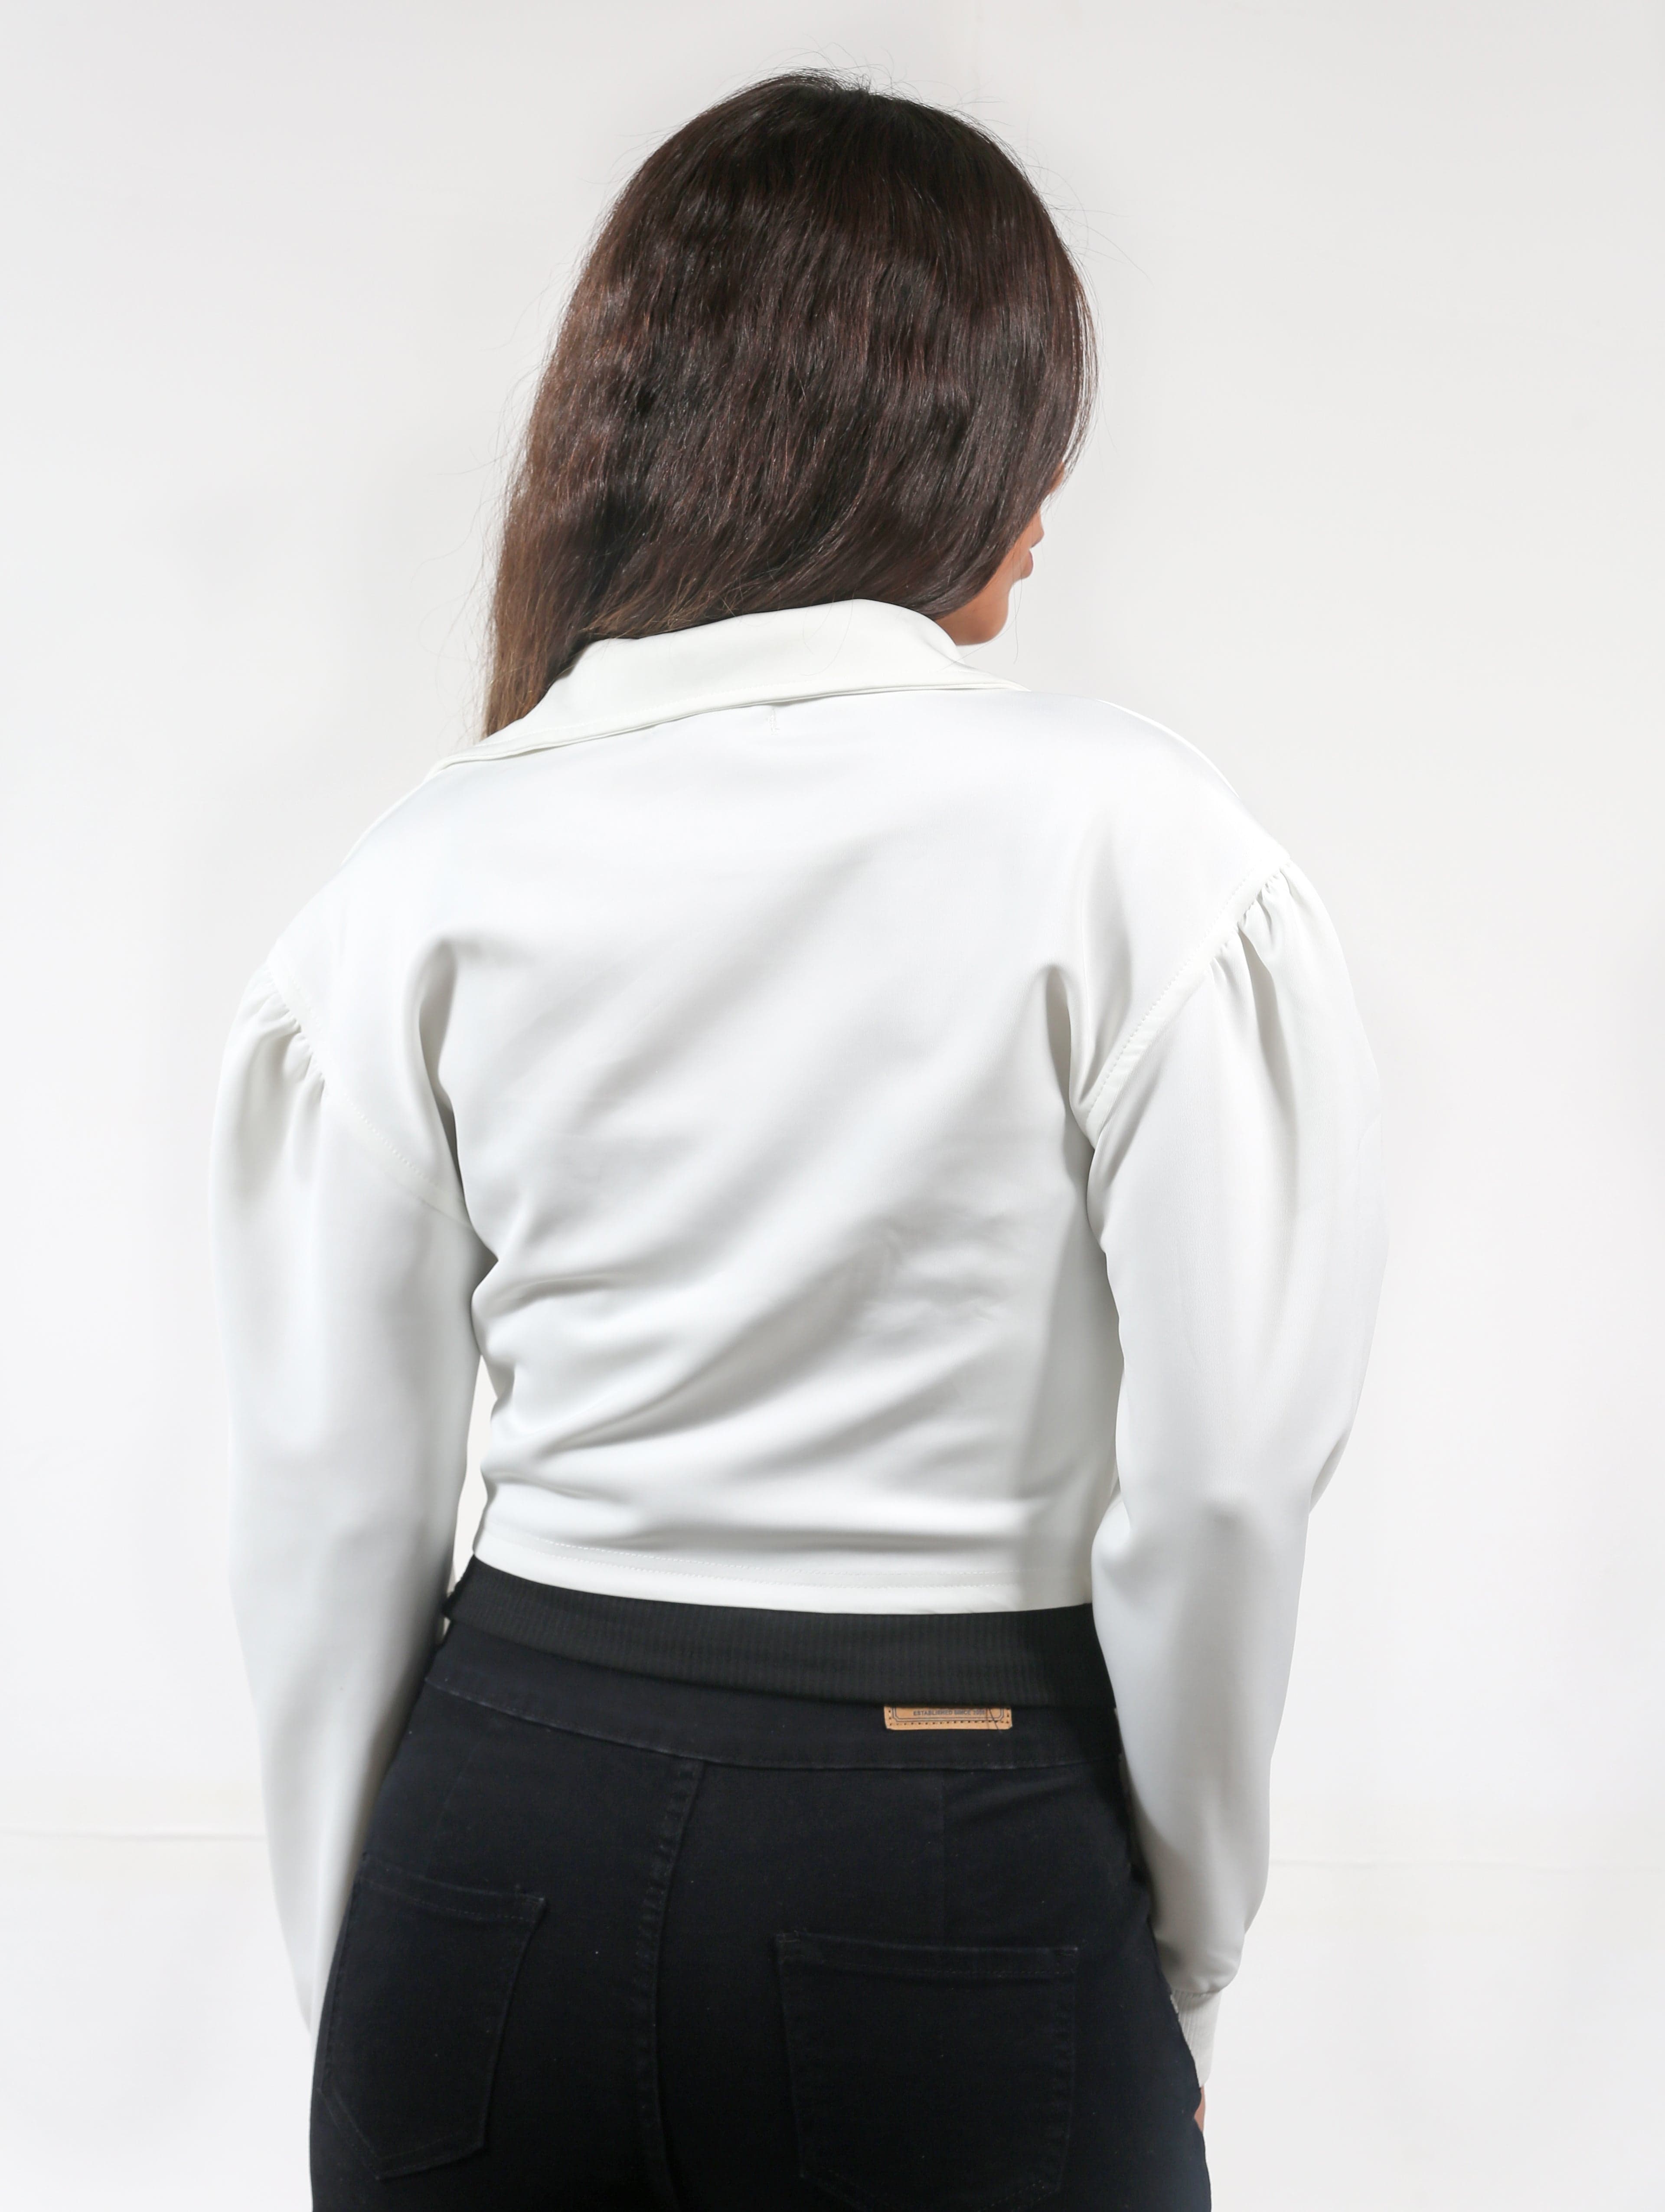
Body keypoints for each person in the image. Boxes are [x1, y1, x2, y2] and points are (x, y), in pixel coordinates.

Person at [211, 73, 1385, 2211]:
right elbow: (1223, 1482)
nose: (1049, 502)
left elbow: (327, 1512)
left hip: (494, 1845)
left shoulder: (421, 869)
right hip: (958, 1840)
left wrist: (377, 1978)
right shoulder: (1141, 850)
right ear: (941, 440)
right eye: (1035, 426)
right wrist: (1183, 1955)